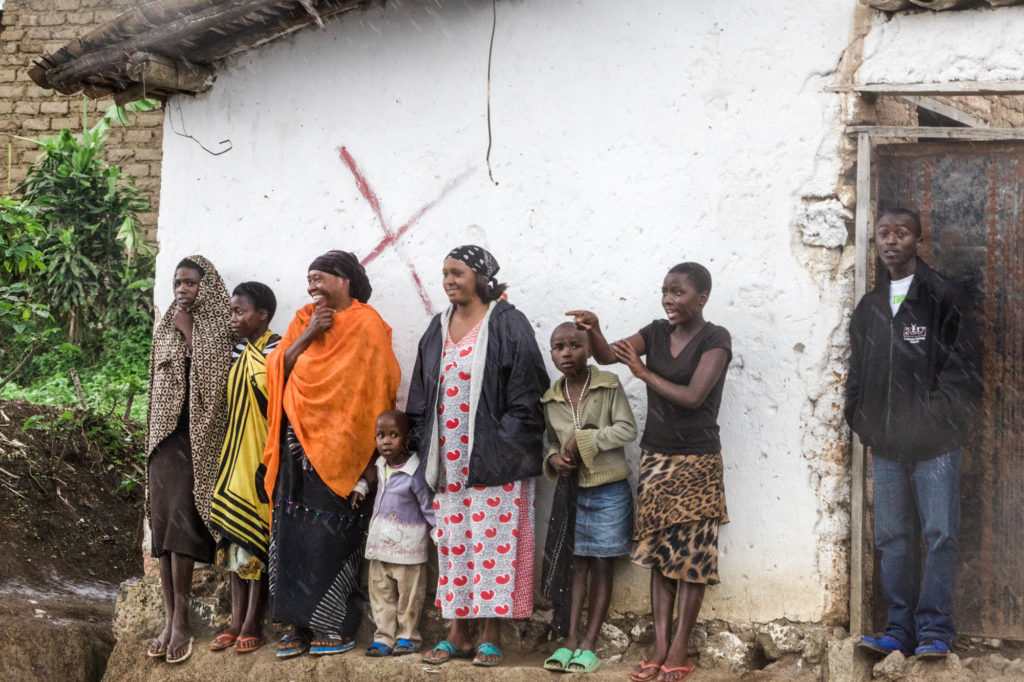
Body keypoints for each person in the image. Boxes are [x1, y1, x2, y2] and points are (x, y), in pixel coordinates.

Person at [568, 261, 731, 682]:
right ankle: (659, 646)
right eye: (665, 290)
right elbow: (608, 356)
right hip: (657, 458)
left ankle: (680, 648)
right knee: (661, 556)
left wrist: (642, 373)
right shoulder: (656, 331)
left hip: (697, 461)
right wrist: (595, 329)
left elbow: (694, 396)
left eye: (678, 292)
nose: (669, 299)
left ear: (702, 298)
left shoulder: (716, 339)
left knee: (691, 559)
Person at [846, 208, 981, 660]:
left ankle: (936, 631)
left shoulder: (942, 296)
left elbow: (964, 372)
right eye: (883, 233)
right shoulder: (870, 306)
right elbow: (857, 374)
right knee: (891, 537)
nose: (890, 241)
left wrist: (933, 421)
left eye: (900, 233)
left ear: (917, 240)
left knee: (940, 532)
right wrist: (860, 418)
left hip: (936, 445)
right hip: (886, 445)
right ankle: (898, 629)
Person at [407, 245, 549, 667]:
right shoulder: (437, 326)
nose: (449, 280)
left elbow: (528, 390)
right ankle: (457, 632)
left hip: (496, 462)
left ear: (482, 278)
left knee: (493, 545)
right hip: (447, 462)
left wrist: (503, 445)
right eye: (445, 273)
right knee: (454, 544)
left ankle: (490, 634)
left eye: (458, 273)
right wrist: (423, 442)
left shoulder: (508, 323)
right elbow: (420, 391)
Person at [261, 250, 401, 659]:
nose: (313, 288)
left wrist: (370, 465)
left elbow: (380, 387)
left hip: (345, 453)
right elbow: (278, 369)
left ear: (346, 281)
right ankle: (293, 623)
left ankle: (332, 624)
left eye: (320, 279)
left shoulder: (368, 324)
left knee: (330, 537)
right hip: (295, 446)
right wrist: (308, 336)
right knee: (289, 534)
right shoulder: (304, 319)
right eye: (309, 280)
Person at [145, 255, 233, 664]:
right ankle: (168, 618)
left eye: (191, 284)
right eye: (178, 283)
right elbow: (157, 387)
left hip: (195, 438)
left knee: (182, 527)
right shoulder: (165, 326)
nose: (182, 290)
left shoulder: (216, 327)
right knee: (163, 533)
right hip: (164, 440)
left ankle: (181, 621)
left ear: (207, 287)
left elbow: (217, 384)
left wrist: (192, 335)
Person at [540, 322, 638, 674]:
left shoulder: (608, 386)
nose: (567, 353)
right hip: (573, 492)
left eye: (575, 345)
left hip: (609, 490)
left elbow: (628, 429)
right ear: (551, 353)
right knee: (575, 564)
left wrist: (584, 441)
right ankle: (569, 639)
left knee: (601, 564)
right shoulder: (550, 398)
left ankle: (590, 642)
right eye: (558, 347)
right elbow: (550, 441)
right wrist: (553, 458)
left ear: (589, 349)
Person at [207, 282, 280, 655]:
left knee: (256, 537)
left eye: (240, 311)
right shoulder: (236, 351)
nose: (233, 319)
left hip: (261, 457)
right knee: (235, 538)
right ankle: (234, 621)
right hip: (234, 454)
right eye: (232, 311)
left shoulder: (276, 348)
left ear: (263, 314)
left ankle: (253, 621)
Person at [360, 409, 436, 658]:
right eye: (380, 435)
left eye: (393, 435)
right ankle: (383, 637)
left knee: (409, 598)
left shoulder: (415, 474)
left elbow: (428, 505)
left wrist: (438, 530)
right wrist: (360, 488)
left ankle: (408, 637)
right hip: (380, 546)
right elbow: (371, 481)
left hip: (408, 549)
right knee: (380, 594)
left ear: (406, 437)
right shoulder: (380, 465)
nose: (385, 441)